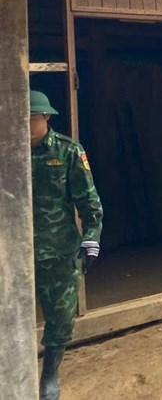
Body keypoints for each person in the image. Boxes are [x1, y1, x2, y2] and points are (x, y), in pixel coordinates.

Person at [29, 90, 103, 400]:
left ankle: (49, 375)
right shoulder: (7, 149)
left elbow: (88, 201)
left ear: (46, 117)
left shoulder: (67, 150)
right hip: (13, 253)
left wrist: (91, 237)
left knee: (60, 316)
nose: (25, 125)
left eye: (31, 118)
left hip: (56, 249)